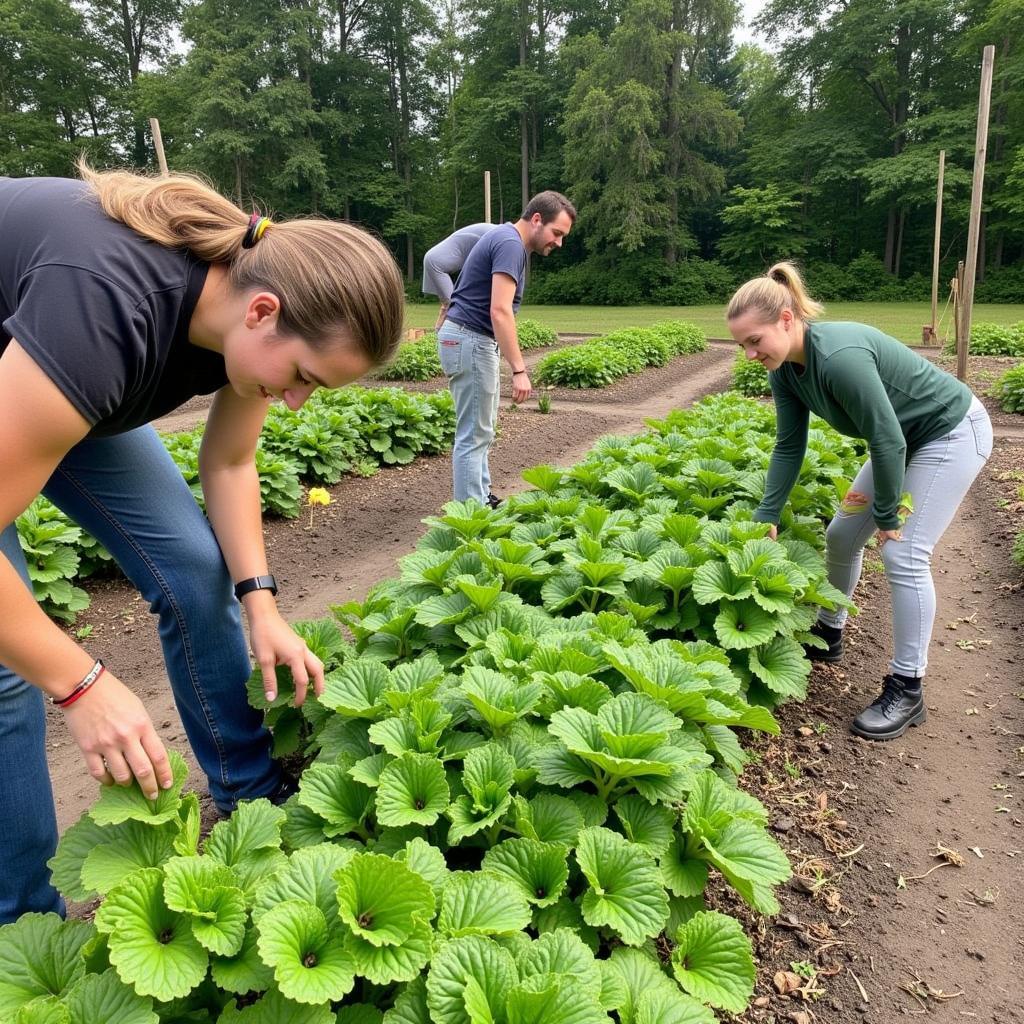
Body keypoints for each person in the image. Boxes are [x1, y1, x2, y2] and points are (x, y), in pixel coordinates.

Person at [0, 163, 404, 923]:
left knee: (194, 569)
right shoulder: (109, 308)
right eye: (303, 377)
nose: (295, 400)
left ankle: (250, 801)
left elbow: (230, 460)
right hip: (38, 361)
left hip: (41, 375)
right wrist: (80, 683)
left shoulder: (238, 310)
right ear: (263, 312)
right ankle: (22, 925)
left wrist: (262, 605)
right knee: (9, 668)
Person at [728, 262, 992, 741]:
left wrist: (889, 514)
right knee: (843, 534)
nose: (750, 353)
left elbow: (886, 438)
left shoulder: (840, 357)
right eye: (742, 344)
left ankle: (907, 687)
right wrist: (766, 512)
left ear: (787, 320)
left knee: (904, 552)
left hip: (950, 432)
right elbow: (790, 445)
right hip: (899, 439)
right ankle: (830, 632)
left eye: (755, 340)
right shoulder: (786, 370)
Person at [437, 191, 575, 506]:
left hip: (465, 338)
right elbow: (500, 311)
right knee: (474, 435)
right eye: (557, 233)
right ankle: (471, 517)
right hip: (470, 339)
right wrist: (519, 370)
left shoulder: (504, 239)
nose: (558, 243)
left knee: (479, 430)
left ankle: (480, 498)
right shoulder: (511, 244)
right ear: (537, 219)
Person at [422, 222, 493, 330]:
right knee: (452, 306)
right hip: (436, 263)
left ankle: (439, 333)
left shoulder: (494, 235)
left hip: (434, 258)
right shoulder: (499, 238)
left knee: (449, 305)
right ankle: (439, 334)